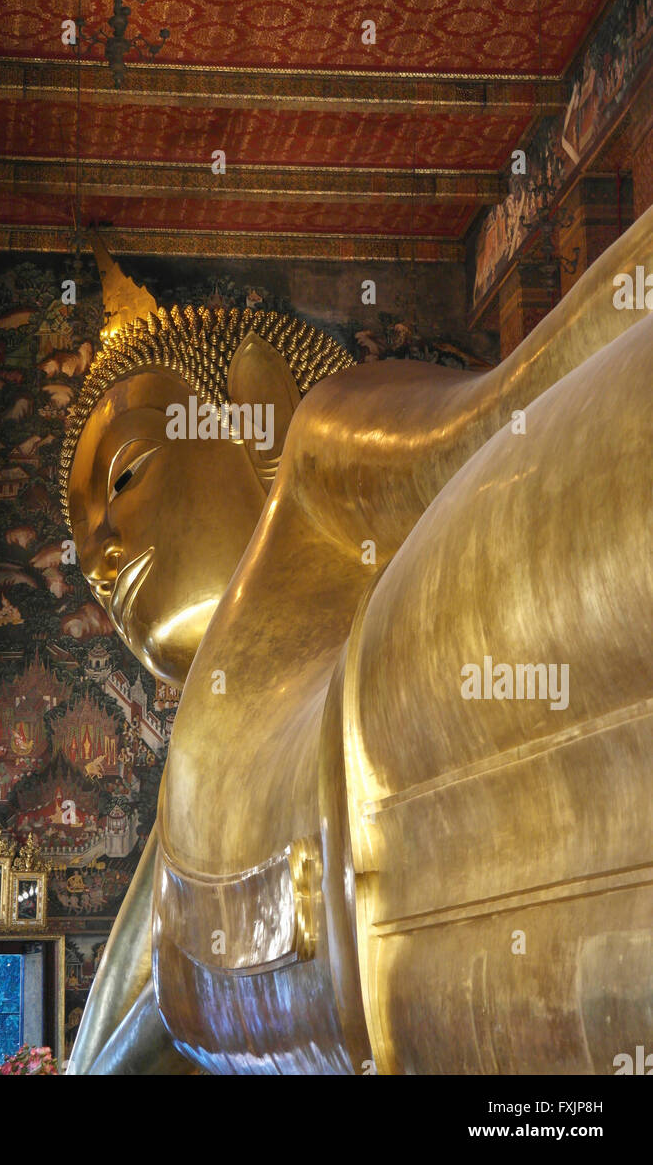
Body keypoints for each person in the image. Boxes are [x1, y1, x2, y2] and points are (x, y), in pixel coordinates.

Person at [63, 219, 653, 1074]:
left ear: (254, 408)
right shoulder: (177, 834)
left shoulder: (316, 459)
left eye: (124, 477)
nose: (103, 548)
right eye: (84, 556)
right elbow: (138, 1018)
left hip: (450, 692)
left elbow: (511, 402)